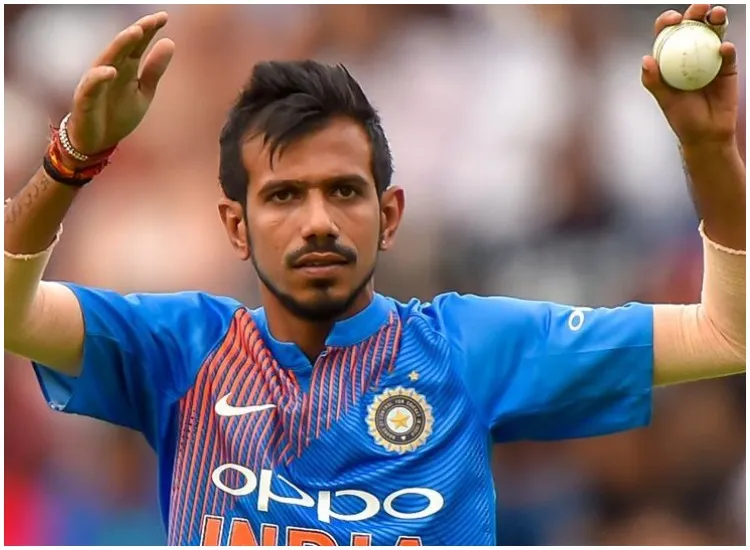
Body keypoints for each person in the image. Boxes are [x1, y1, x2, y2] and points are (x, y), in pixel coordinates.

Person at [5, 5, 745, 546]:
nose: (318, 221)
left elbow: (726, 334)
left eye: (345, 191)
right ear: (237, 227)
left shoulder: (469, 348)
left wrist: (710, 153)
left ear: (389, 216)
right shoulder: (180, 348)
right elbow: (12, 313)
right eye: (284, 196)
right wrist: (73, 157)